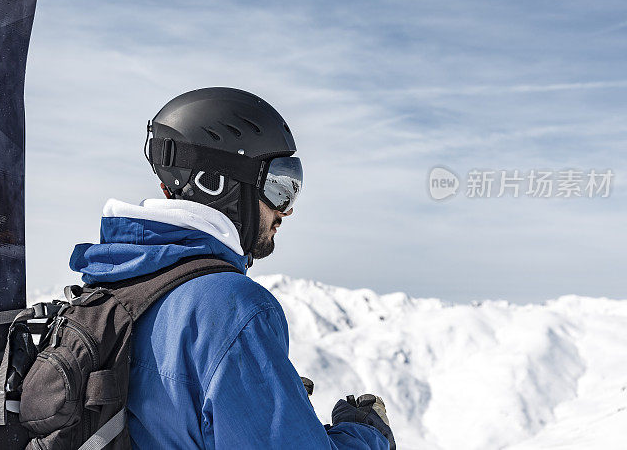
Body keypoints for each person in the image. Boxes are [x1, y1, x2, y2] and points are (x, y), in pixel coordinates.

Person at [69, 87, 395, 449]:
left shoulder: (114, 288)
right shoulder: (231, 308)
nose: (286, 210)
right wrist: (366, 435)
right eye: (278, 185)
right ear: (218, 184)